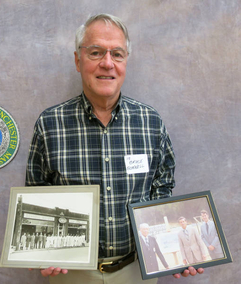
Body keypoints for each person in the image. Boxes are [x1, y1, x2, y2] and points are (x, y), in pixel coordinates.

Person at [26, 13, 203, 283]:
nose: (107, 64)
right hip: (71, 273)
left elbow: (162, 190)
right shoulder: (50, 124)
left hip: (137, 270)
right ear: (78, 60)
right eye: (95, 52)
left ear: (125, 61)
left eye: (117, 54)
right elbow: (36, 195)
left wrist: (176, 247)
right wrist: (41, 253)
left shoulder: (151, 122)